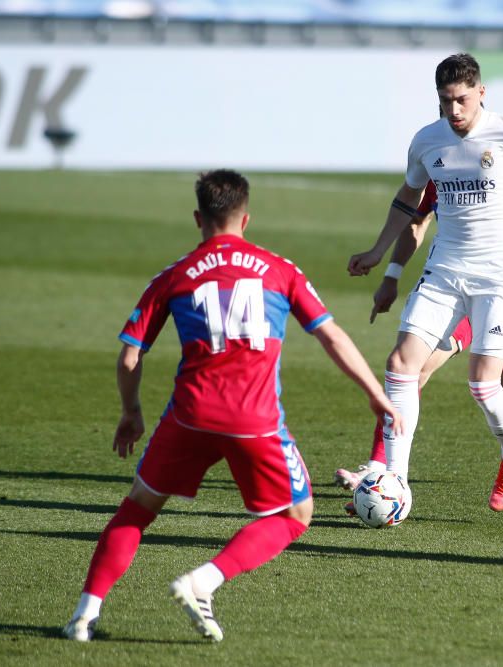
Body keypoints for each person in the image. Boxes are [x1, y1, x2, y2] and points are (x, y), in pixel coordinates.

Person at [63, 170, 401, 642]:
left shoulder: (174, 276)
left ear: (199, 218)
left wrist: (130, 412)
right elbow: (330, 334)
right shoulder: (281, 270)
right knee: (293, 516)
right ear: (247, 219)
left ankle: (83, 615)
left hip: (189, 415)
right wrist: (375, 392)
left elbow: (129, 354)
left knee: (137, 510)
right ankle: (204, 580)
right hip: (255, 420)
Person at [348, 53, 503, 511]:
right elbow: (409, 199)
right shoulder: (428, 142)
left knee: (485, 385)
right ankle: (394, 479)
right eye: (446, 101)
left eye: (462, 100)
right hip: (446, 271)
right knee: (401, 365)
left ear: (481, 93)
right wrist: (378, 254)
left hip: (500, 278)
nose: (454, 111)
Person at [334, 180, 503, 494]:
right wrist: (391, 276)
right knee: (411, 368)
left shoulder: (497, 174)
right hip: (456, 295)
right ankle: (381, 471)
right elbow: (416, 222)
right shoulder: (440, 166)